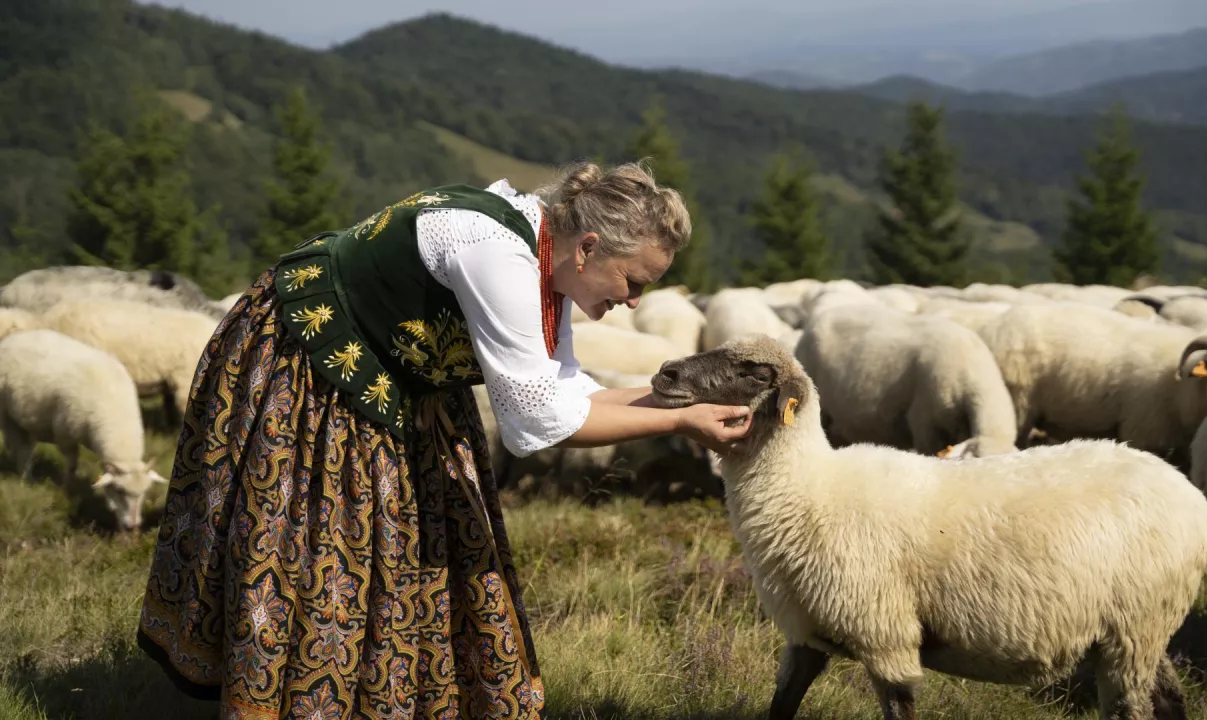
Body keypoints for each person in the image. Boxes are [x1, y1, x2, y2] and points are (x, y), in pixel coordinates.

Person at [135, 160, 753, 719]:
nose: (635, 301)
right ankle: (299, 695)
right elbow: (537, 423)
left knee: (405, 546)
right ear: (589, 248)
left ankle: (384, 695)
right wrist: (678, 421)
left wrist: (687, 403)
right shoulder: (497, 254)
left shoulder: (548, 263)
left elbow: (567, 391)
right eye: (633, 281)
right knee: (319, 545)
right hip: (313, 361)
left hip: (392, 376)